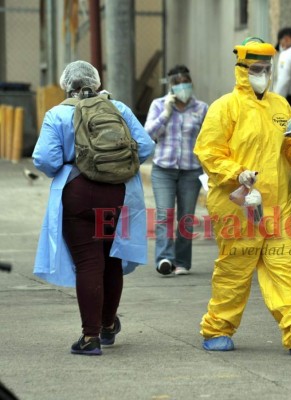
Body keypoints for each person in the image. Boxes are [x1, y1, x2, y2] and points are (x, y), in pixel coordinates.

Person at [193, 37, 291, 354]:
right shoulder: (224, 108)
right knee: (236, 268)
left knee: (284, 266)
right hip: (238, 203)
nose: (264, 74)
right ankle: (216, 328)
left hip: (278, 202)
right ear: (241, 69)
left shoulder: (280, 106)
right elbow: (208, 153)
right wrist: (237, 172)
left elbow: (288, 150)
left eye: (267, 68)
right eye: (257, 68)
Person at [32, 60, 155, 355]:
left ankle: (90, 338)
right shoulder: (118, 109)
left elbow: (45, 160)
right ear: (97, 84)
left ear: (66, 85)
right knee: (112, 258)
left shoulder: (57, 114)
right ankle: (108, 325)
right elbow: (147, 146)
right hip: (117, 193)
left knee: (88, 262)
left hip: (78, 193)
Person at [144, 65, 208, 276]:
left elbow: (208, 139)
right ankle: (164, 258)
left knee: (186, 217)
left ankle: (181, 262)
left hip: (191, 171)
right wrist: (166, 113)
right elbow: (148, 134)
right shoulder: (158, 105)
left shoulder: (201, 108)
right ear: (171, 87)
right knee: (164, 215)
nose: (183, 89)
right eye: (178, 85)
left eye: (186, 84)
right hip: (163, 169)